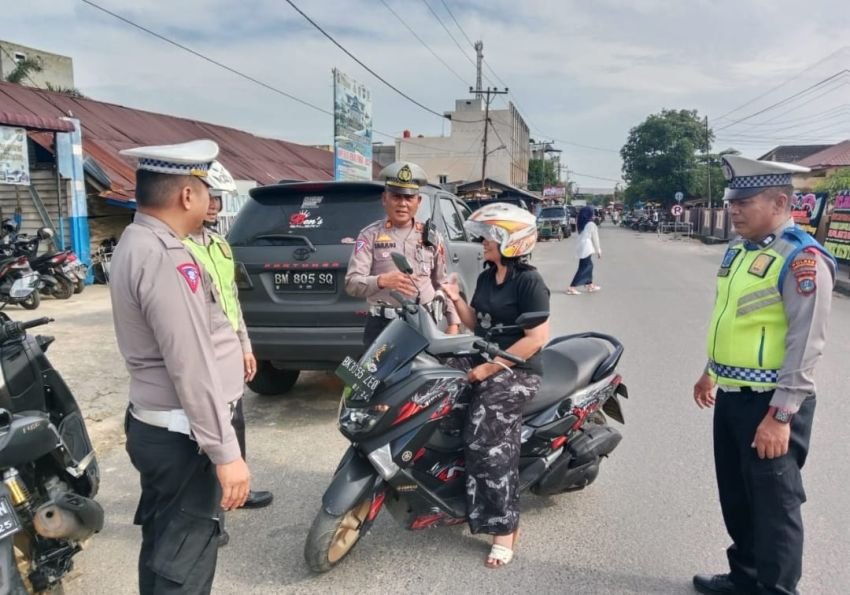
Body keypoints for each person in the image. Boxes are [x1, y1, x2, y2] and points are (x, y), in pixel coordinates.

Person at [111, 139, 251, 594]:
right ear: (186, 195)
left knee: (163, 546)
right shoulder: (167, 255)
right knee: (184, 559)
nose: (212, 200)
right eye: (206, 189)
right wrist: (227, 455)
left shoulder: (139, 240)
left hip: (161, 426)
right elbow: (191, 365)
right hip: (181, 436)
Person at [692, 155, 835, 595]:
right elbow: (732, 318)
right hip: (733, 395)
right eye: (731, 201)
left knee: (775, 506)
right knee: (736, 497)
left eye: (743, 202)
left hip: (772, 402)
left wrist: (781, 415)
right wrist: (710, 371)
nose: (733, 209)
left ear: (778, 201)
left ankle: (776, 590)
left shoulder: (801, 258)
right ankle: (745, 577)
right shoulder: (737, 251)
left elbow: (805, 343)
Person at [440, 202, 550, 569]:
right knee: (436, 391)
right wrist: (454, 297)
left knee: (486, 439)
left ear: (509, 239)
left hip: (518, 369)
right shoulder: (488, 276)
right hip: (484, 356)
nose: (483, 242)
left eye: (489, 236)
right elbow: (477, 324)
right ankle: (453, 487)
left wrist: (491, 369)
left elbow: (536, 338)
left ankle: (505, 528)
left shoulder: (529, 281)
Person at [183, 161, 273, 514]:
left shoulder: (219, 245)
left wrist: (245, 347)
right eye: (210, 198)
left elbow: (231, 301)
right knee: (205, 431)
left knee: (235, 422)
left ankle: (240, 489)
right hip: (200, 355)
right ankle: (210, 512)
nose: (215, 205)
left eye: (219, 199)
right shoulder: (178, 247)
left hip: (227, 352)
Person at [345, 161, 459, 345]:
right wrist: (381, 281)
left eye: (409, 197)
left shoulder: (431, 236)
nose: (403, 204)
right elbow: (352, 284)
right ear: (384, 199)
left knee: (426, 373)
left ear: (418, 201)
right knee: (376, 374)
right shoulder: (369, 236)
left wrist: (453, 322)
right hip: (383, 326)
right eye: (396, 197)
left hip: (424, 323)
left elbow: (442, 282)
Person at [566, 206, 602, 294]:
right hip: (587, 247)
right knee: (584, 267)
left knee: (589, 265)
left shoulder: (581, 223)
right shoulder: (591, 224)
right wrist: (599, 250)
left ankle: (590, 285)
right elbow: (595, 238)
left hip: (581, 246)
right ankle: (572, 287)